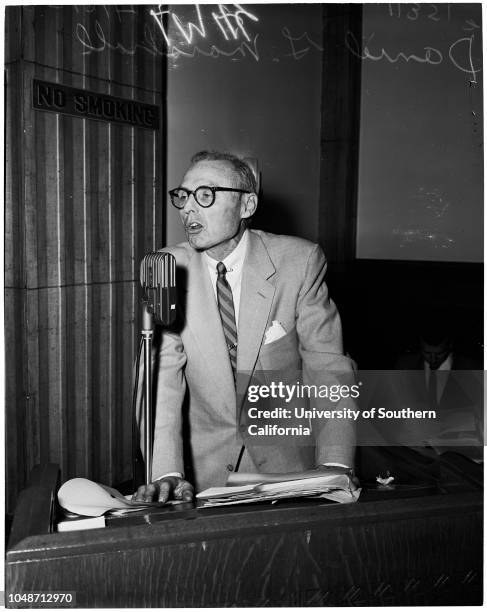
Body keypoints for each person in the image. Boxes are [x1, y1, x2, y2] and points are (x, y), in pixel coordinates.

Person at [134, 151, 356, 503]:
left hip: (291, 471)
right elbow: (161, 378)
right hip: (204, 477)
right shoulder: (166, 268)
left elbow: (327, 369)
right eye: (183, 196)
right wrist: (167, 472)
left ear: (246, 205)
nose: (188, 209)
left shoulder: (298, 262)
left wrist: (334, 464)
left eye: (205, 195)